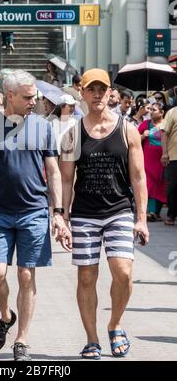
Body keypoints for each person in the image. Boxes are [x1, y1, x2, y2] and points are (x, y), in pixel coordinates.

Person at [0, 70, 71, 361]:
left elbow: (53, 172)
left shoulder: (43, 128)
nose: (33, 102)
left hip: (34, 212)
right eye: (27, 97)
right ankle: (6, 315)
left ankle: (22, 340)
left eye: (35, 97)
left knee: (26, 275)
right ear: (9, 96)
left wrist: (58, 213)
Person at [61, 69, 149, 360]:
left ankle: (115, 324)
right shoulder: (73, 133)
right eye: (91, 89)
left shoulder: (128, 130)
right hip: (85, 212)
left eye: (102, 89)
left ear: (110, 92)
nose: (97, 95)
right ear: (82, 93)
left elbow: (138, 177)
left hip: (119, 210)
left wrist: (141, 219)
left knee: (123, 273)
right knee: (87, 276)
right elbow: (65, 180)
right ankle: (91, 339)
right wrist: (62, 218)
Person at [138, 102, 166, 222]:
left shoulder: (166, 124)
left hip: (163, 160)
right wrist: (143, 136)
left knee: (161, 185)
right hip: (147, 160)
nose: (151, 112)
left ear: (162, 112)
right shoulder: (146, 124)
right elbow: (134, 139)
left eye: (154, 110)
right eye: (150, 110)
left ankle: (156, 212)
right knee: (149, 184)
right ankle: (149, 212)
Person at [161, 105, 177, 225]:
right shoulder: (172, 112)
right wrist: (165, 153)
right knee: (172, 187)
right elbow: (164, 133)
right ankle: (171, 213)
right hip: (173, 156)